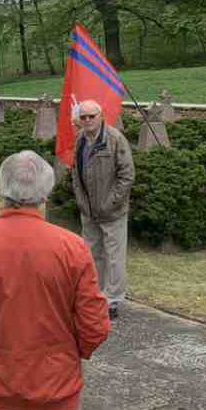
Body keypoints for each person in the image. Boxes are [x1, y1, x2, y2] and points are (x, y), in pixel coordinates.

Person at [0, 150, 110, 410]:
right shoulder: (72, 247)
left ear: (2, 189)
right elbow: (95, 323)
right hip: (57, 386)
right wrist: (70, 354)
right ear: (45, 194)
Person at [70, 99, 134, 320]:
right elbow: (75, 173)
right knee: (92, 254)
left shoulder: (115, 139)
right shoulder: (79, 138)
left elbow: (127, 176)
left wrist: (111, 202)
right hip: (88, 210)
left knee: (114, 256)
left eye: (91, 116)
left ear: (101, 116)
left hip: (112, 210)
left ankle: (113, 300)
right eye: (83, 117)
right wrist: (81, 201)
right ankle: (96, 296)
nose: (87, 120)